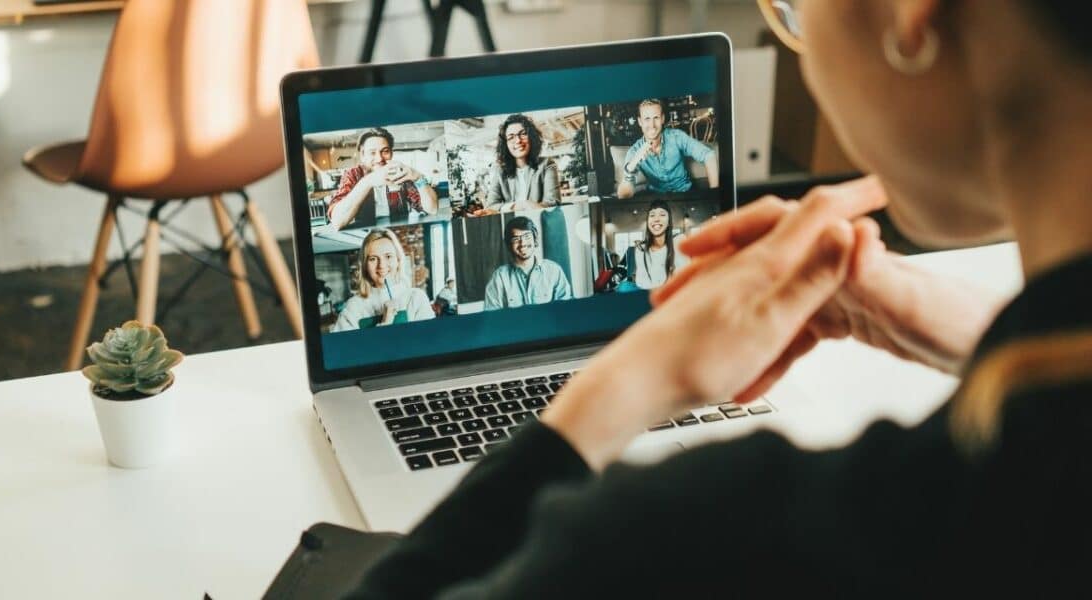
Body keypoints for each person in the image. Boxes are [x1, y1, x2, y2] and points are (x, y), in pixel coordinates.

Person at [345, 0, 1092, 595]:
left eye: (794, 5)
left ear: (910, 12)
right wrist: (991, 337)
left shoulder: (700, 535)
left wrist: (627, 377)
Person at [327, 128, 439, 230]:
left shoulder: (399, 172)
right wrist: (368, 182)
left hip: (399, 233)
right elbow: (337, 222)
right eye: (372, 152)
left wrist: (418, 178)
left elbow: (432, 210)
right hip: (364, 237)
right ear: (362, 154)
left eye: (385, 151)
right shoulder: (353, 174)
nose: (379, 158)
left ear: (391, 153)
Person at [331, 229, 434, 332]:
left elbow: (428, 343)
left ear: (398, 260)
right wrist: (385, 323)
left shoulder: (416, 298)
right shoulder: (353, 307)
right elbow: (345, 347)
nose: (382, 265)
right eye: (373, 259)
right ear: (365, 266)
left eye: (388, 256)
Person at [617, 98, 719, 198]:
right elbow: (623, 195)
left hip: (685, 194)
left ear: (662, 119)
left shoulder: (677, 137)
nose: (652, 125)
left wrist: (714, 194)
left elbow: (708, 154)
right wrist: (631, 167)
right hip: (657, 200)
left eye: (656, 117)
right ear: (640, 122)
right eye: (647, 119)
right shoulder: (634, 151)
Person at [483, 216, 572, 310]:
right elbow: (492, 317)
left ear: (535, 238)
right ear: (509, 244)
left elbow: (565, 310)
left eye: (527, 236)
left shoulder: (554, 271)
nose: (523, 243)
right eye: (516, 239)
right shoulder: (499, 277)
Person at [484, 114, 560, 212]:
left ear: (532, 137)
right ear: (505, 144)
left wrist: (526, 205)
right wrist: (517, 206)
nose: (518, 141)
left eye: (523, 134)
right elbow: (490, 206)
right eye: (511, 137)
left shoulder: (547, 164)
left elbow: (553, 203)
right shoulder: (500, 171)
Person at [621, 199, 689, 290]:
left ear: (669, 222)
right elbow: (642, 282)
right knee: (624, 287)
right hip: (648, 294)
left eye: (662, 215)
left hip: (673, 293)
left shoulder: (679, 241)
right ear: (648, 222)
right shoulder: (641, 249)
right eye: (652, 215)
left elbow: (684, 276)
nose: (656, 219)